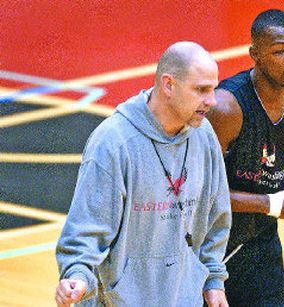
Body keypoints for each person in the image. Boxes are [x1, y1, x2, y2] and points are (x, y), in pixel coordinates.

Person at [55, 41, 231, 307]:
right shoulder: (114, 142)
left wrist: (213, 280)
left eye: (213, 89)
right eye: (201, 90)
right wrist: (77, 276)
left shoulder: (204, 136)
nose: (212, 101)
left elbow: (216, 217)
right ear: (169, 85)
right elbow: (86, 229)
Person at [207, 9, 284, 306]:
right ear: (255, 54)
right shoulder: (226, 108)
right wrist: (272, 204)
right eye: (279, 51)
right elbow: (203, 192)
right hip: (214, 249)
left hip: (262, 241)